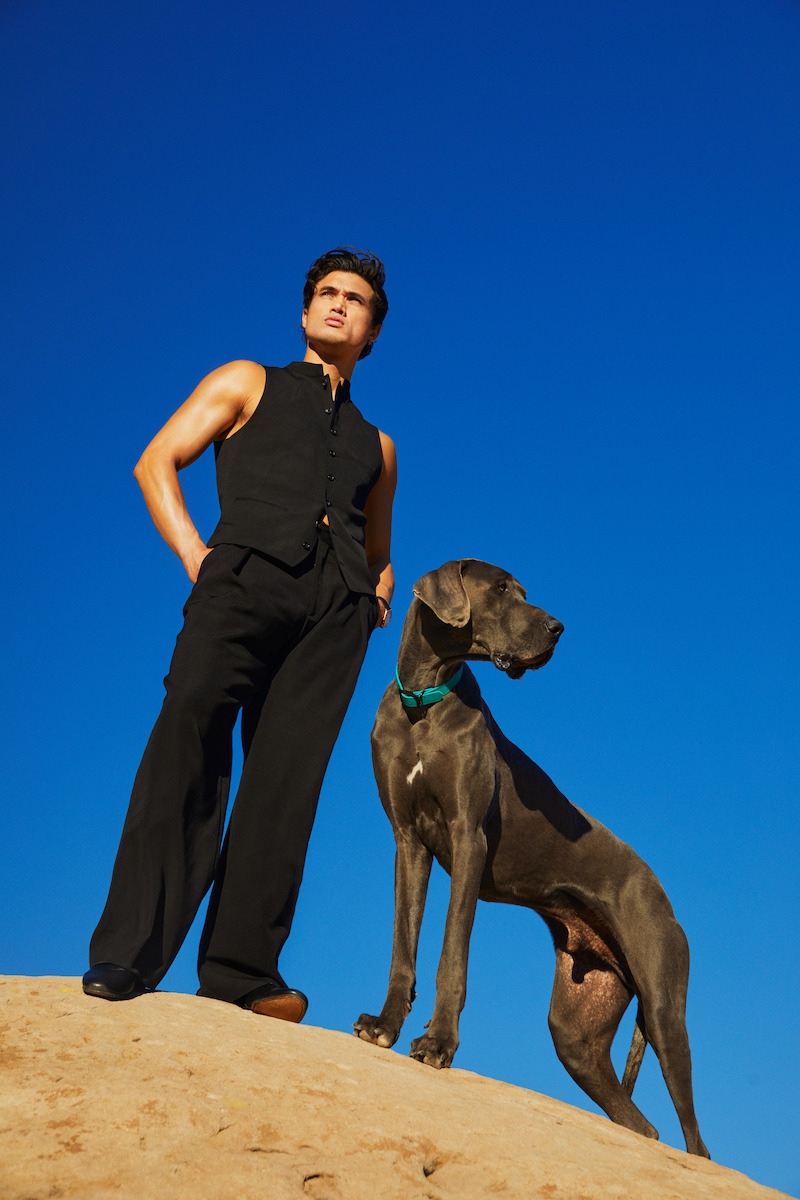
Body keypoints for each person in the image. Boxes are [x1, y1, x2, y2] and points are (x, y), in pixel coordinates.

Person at [83, 247, 396, 1022]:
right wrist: (197, 556)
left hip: (335, 615)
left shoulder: (380, 447)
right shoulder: (246, 381)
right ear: (305, 310)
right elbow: (157, 461)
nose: (338, 304)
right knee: (186, 739)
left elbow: (379, 549)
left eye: (355, 300)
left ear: (371, 332)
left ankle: (241, 971)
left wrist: (374, 596)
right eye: (326, 293)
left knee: (286, 784)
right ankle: (129, 950)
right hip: (241, 583)